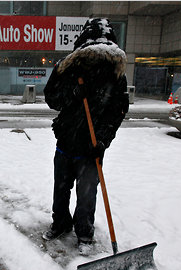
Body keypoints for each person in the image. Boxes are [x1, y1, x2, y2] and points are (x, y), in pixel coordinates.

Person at [42, 18, 129, 254]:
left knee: (87, 193)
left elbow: (118, 110)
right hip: (66, 142)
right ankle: (60, 223)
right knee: (61, 188)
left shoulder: (114, 74)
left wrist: (102, 140)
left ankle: (84, 234)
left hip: (92, 147)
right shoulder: (68, 68)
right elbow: (52, 99)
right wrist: (72, 92)